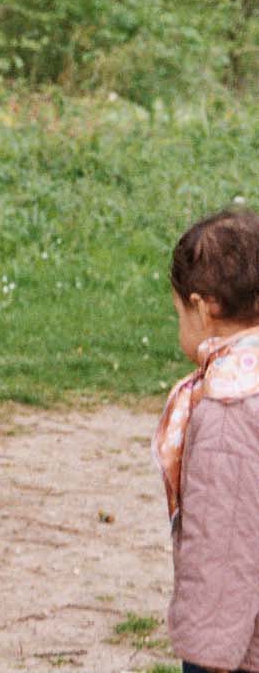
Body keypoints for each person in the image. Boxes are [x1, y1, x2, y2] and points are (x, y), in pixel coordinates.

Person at [154, 207, 259, 673]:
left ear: (201, 307)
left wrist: (208, 654)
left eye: (179, 312)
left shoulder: (227, 411)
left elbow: (223, 541)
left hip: (236, 649)